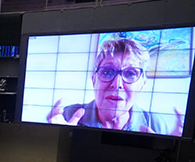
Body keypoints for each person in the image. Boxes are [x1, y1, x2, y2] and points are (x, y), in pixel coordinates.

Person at [46, 37, 183, 136]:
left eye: (130, 73)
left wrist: (173, 148)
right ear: (94, 81)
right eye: (107, 72)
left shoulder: (157, 124)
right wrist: (53, 137)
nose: (117, 84)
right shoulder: (67, 115)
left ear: (142, 85)